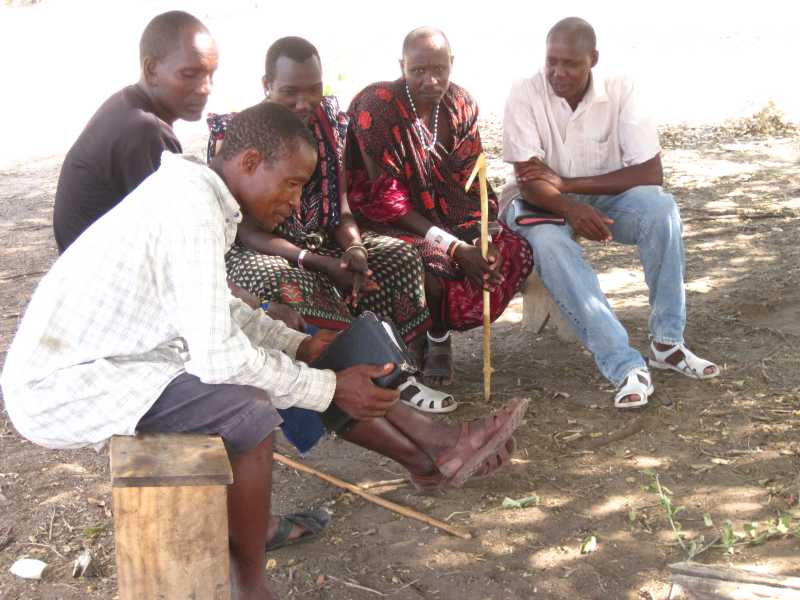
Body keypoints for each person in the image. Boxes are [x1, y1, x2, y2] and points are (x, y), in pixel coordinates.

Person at [1, 103, 528, 600]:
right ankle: (249, 585)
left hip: (128, 357)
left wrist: (300, 345)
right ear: (251, 162)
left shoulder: (198, 199)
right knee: (250, 408)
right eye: (293, 184)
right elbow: (217, 356)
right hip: (70, 384)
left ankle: (437, 446)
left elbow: (221, 313)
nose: (297, 202)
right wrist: (322, 382)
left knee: (295, 362)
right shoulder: (191, 208)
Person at [207, 36, 454, 413]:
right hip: (257, 252)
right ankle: (344, 381)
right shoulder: (238, 134)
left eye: (314, 90)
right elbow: (247, 232)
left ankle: (393, 365)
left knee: (399, 257)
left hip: (321, 242)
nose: (304, 103)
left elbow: (340, 210)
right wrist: (317, 261)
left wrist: (353, 249)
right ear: (266, 85)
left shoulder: (329, 125)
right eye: (290, 92)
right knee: (286, 281)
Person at [501, 17, 719, 409]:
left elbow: (651, 173)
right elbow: (530, 179)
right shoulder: (525, 92)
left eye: (571, 63)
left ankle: (668, 342)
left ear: (593, 60)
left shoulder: (622, 88)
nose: (558, 72)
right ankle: (623, 365)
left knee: (661, 210)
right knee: (550, 244)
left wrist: (568, 186)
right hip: (537, 203)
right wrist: (567, 205)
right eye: (552, 61)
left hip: (596, 197)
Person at [346, 27, 533, 388]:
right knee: (430, 263)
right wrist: (455, 247)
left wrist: (481, 236)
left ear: (452, 65)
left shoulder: (460, 104)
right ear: (402, 66)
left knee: (508, 250)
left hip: (448, 213)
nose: (430, 81)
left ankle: (437, 333)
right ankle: (433, 338)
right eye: (418, 71)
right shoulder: (377, 107)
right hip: (385, 219)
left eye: (439, 70)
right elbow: (387, 202)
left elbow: (471, 178)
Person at [52, 10, 218, 253]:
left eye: (210, 74)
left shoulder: (126, 104)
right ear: (151, 70)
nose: (206, 88)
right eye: (189, 74)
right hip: (103, 281)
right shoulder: (144, 131)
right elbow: (174, 237)